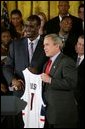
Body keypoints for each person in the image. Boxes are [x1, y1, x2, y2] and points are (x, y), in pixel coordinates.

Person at [2, 15, 48, 128]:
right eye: (26, 25)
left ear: (38, 27)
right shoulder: (15, 44)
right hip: (19, 92)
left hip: (39, 95)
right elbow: (7, 66)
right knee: (19, 123)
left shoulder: (46, 44)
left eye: (31, 26)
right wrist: (13, 80)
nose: (27, 29)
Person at [41, 34, 78, 128]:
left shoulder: (66, 61)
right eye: (44, 45)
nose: (44, 48)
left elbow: (71, 83)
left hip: (62, 115)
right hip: (49, 113)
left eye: (47, 45)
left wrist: (50, 80)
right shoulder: (46, 63)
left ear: (57, 45)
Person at [74, 35, 84, 128]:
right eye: (79, 44)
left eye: (83, 45)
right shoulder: (70, 57)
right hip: (68, 99)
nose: (80, 46)